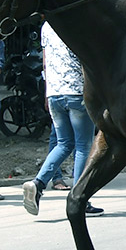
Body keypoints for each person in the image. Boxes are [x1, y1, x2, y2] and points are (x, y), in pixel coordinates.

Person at [23, 22, 103, 216]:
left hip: (54, 93)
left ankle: (38, 183)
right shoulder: (75, 22)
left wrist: (46, 93)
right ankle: (80, 198)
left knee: (64, 143)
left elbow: (45, 62)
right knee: (84, 146)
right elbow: (86, 60)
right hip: (76, 92)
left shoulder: (46, 27)